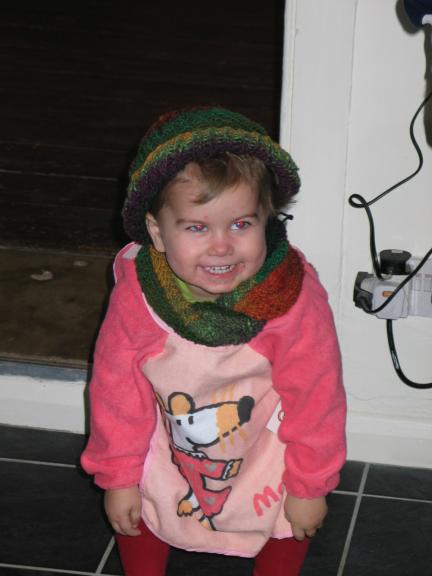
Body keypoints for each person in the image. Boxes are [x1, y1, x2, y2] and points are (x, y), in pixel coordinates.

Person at [81, 107, 346, 576]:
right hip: (169, 438)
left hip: (264, 443)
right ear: (158, 233)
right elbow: (116, 392)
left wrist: (311, 486)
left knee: (288, 513)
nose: (221, 246)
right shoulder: (138, 296)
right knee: (145, 496)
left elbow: (317, 397)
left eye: (241, 224)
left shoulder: (291, 296)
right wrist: (117, 477)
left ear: (267, 219)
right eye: (197, 227)